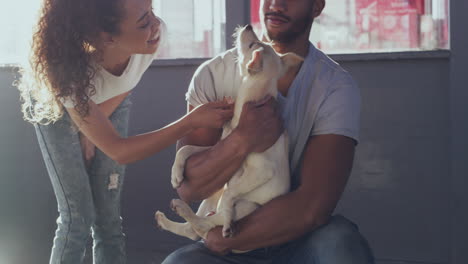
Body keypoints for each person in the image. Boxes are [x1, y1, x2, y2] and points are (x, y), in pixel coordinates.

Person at [15, 0, 233, 263]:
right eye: (144, 22)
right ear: (107, 37)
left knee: (108, 219)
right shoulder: (65, 75)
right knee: (77, 217)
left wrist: (94, 132)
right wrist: (190, 121)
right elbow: (120, 151)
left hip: (110, 102)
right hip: (59, 112)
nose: (156, 24)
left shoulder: (153, 35)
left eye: (152, 12)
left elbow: (128, 80)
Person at [162, 0, 375, 263]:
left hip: (296, 235)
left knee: (341, 245)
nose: (277, 4)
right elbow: (190, 188)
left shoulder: (333, 87)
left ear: (317, 6)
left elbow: (313, 207)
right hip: (226, 235)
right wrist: (243, 138)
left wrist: (231, 238)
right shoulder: (213, 74)